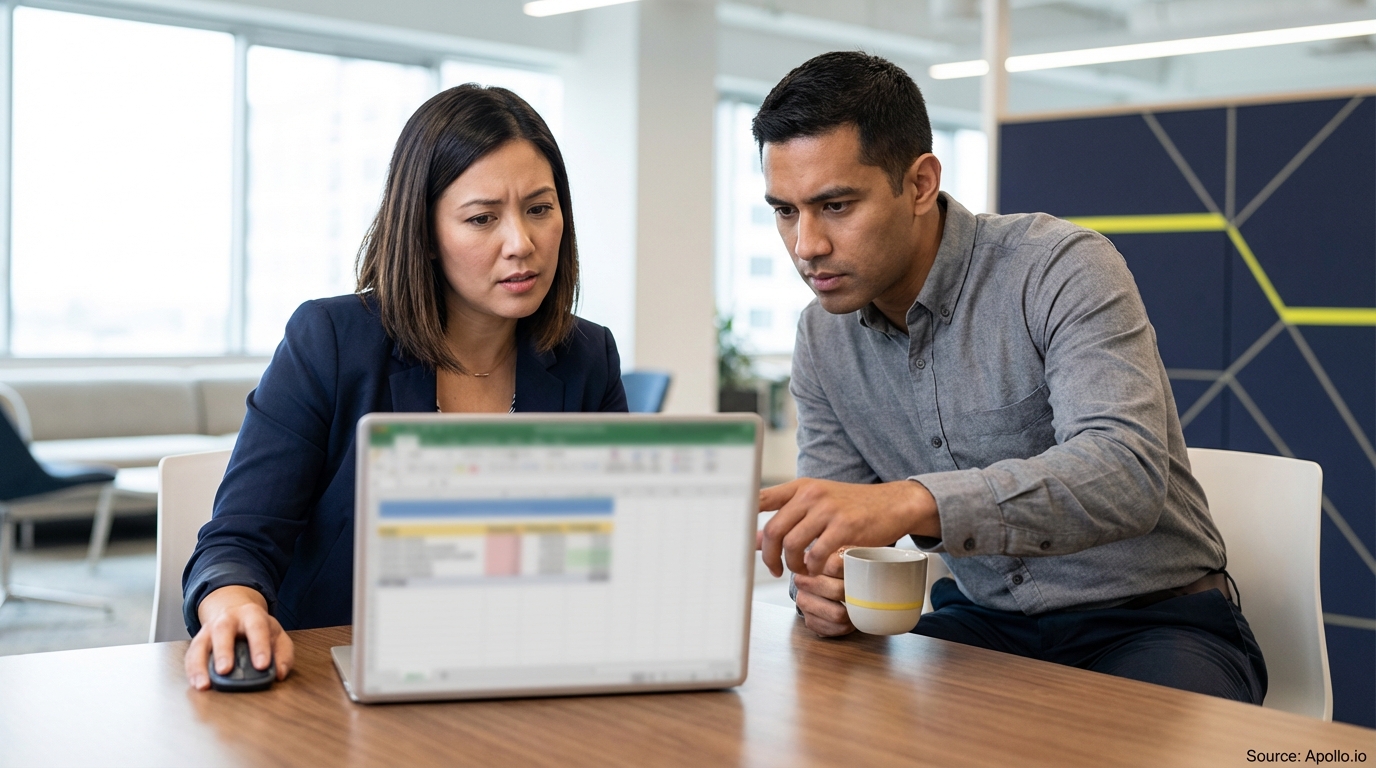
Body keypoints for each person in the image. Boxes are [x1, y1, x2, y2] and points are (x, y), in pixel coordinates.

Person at [754, 52, 1266, 704]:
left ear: (918, 184)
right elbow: (839, 542)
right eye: (785, 211)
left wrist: (915, 501)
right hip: (986, 624)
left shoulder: (1057, 268)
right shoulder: (821, 339)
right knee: (842, 726)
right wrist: (825, 592)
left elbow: (1127, 471)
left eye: (835, 205)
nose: (806, 246)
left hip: (1154, 621)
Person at [182, 85, 628, 690]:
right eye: (482, 218)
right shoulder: (331, 341)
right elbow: (238, 539)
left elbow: (611, 549)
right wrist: (233, 606)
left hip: (523, 675)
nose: (521, 243)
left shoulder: (586, 357)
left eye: (540, 209)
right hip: (338, 683)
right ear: (422, 229)